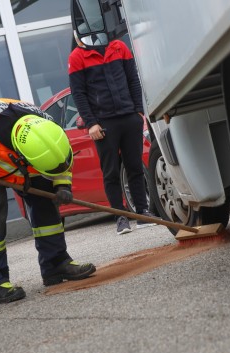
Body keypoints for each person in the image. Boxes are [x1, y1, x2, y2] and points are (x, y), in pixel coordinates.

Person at [0, 98, 96, 305]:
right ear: (22, 157)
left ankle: (55, 264)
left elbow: (61, 163)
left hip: (11, 162)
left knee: (44, 200)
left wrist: (62, 186)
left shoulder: (50, 131)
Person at [68, 32, 155, 235]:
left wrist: (138, 112)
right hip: (103, 123)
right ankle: (120, 218)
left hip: (129, 117)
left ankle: (142, 213)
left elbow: (133, 79)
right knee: (111, 172)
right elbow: (78, 93)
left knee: (135, 167)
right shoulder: (77, 57)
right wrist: (91, 123)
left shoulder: (119, 47)